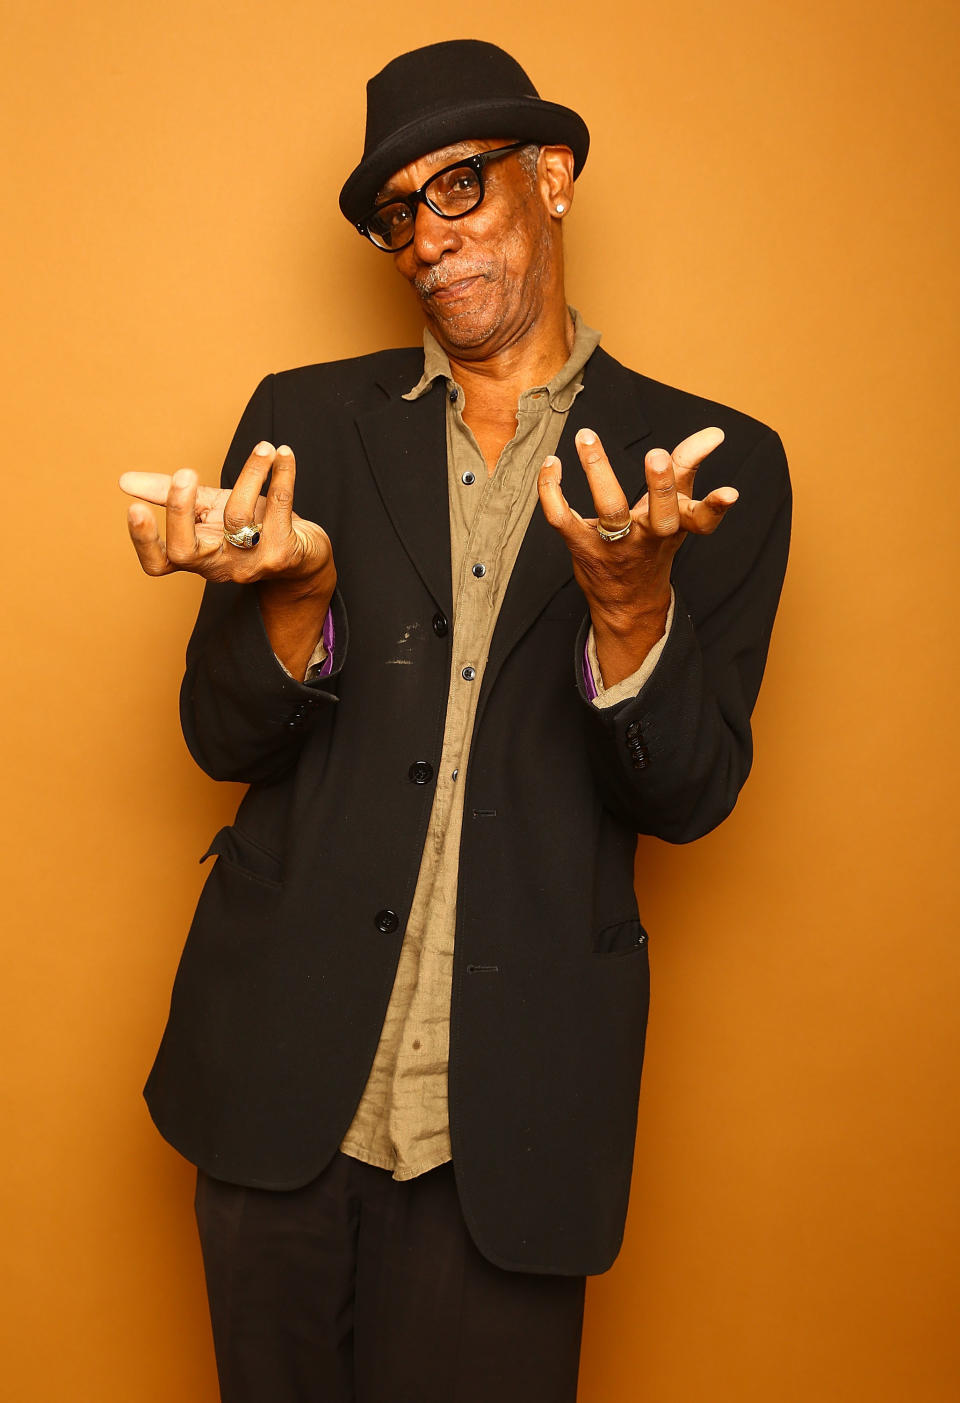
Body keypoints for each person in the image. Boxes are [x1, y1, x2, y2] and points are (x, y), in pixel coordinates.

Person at [121, 38, 791, 1403]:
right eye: (397, 215)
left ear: (551, 177)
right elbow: (218, 737)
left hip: (517, 1116)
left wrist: (627, 614)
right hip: (278, 1083)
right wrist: (296, 599)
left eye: (461, 189)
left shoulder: (703, 473)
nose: (427, 240)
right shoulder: (304, 420)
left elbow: (693, 795)